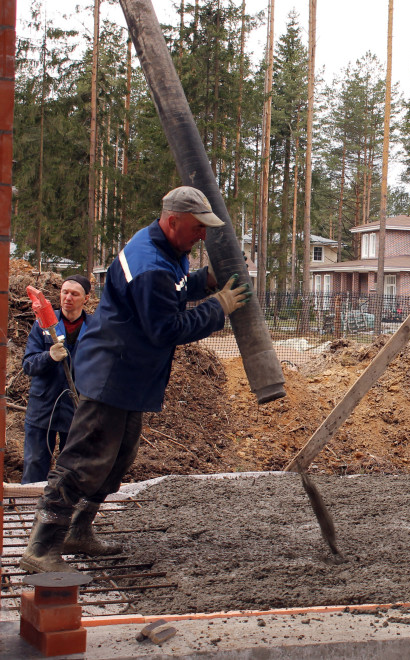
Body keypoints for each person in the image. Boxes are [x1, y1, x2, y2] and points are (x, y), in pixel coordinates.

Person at [20, 186, 250, 573]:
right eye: (198, 228)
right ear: (174, 221)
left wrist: (203, 281)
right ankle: (42, 548)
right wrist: (217, 308)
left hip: (129, 372)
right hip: (113, 372)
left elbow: (172, 291)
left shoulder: (165, 249)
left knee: (118, 457)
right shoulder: (150, 264)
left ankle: (78, 531)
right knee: (85, 458)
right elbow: (165, 327)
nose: (203, 236)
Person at [21, 275, 92, 484]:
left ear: (86, 298)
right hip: (43, 407)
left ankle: (64, 512)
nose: (68, 297)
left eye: (74, 294)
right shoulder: (43, 324)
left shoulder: (96, 329)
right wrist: (49, 356)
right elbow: (28, 364)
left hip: (78, 409)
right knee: (35, 463)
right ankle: (29, 510)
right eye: (64, 292)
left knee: (73, 469)